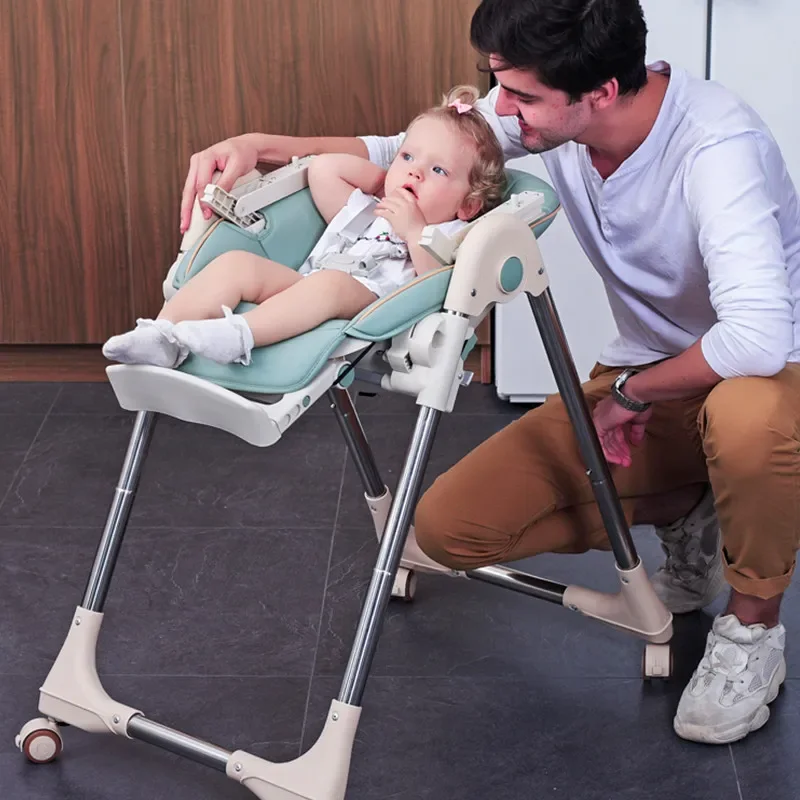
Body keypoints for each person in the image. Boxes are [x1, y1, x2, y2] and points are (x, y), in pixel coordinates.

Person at [176, 0, 800, 746]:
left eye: (522, 96)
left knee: (747, 419)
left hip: (772, 378)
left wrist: (628, 393)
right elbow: (408, 150)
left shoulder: (716, 149)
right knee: (447, 530)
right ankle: (693, 505)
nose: (501, 109)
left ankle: (752, 627)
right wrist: (259, 146)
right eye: (499, 83)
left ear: (600, 91)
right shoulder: (556, 112)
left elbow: (757, 340)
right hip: (652, 368)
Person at [103, 86, 505, 369]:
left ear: (467, 205)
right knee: (236, 264)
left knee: (331, 284)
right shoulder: (370, 210)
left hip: (369, 304)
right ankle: (164, 335)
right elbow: (324, 169)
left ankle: (239, 336)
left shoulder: (450, 235)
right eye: (408, 156)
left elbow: (437, 288)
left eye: (438, 170)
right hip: (306, 286)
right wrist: (383, 181)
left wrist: (415, 230)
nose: (415, 172)